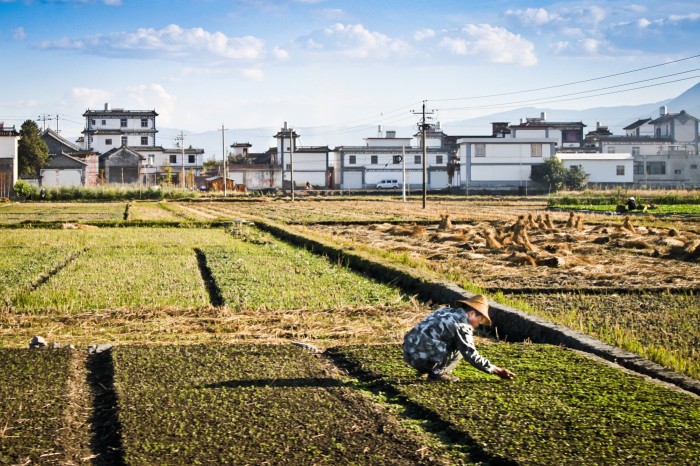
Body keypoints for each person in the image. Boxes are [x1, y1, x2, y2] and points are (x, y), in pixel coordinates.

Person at [403, 294, 516, 382]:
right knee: (461, 349)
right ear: (471, 313)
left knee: (448, 342)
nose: (479, 324)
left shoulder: (444, 311)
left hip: (408, 352)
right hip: (421, 357)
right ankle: (436, 373)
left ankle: (428, 368)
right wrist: (497, 370)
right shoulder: (462, 325)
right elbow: (471, 354)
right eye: (480, 319)